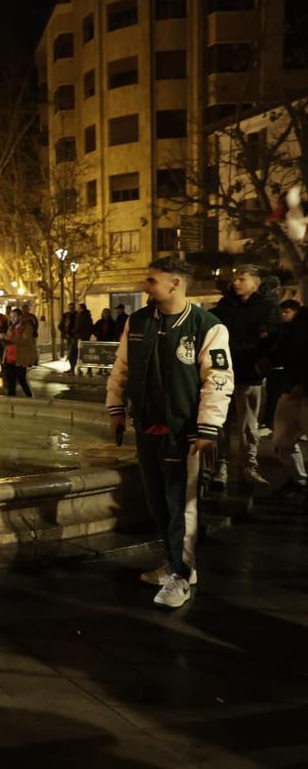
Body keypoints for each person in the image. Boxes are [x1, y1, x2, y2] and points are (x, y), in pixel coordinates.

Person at [106, 256, 232, 609]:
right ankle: (174, 562)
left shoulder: (208, 326)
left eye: (152, 280)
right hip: (147, 428)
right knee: (157, 503)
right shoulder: (139, 321)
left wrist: (208, 427)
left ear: (175, 283)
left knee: (181, 505)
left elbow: (218, 380)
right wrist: (116, 408)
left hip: (183, 432)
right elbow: (121, 368)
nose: (145, 286)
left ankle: (182, 574)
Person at [209, 265, 280, 489]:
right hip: (222, 373)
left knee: (248, 425)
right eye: (235, 278)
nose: (236, 282)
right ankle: (220, 467)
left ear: (256, 283)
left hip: (249, 374)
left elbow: (271, 340)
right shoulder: (226, 304)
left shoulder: (268, 307)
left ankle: (247, 467)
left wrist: (263, 363)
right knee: (220, 422)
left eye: (242, 279)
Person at [268, 299, 308, 495]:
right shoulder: (291, 328)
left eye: (287, 312)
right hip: (290, 389)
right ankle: (298, 480)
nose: (283, 315)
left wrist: (304, 384)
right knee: (282, 440)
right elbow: (284, 352)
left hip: (300, 390)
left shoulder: (300, 327)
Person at [2, 308, 36, 398]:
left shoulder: (27, 327)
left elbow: (24, 341)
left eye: (14, 316)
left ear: (20, 317)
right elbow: (8, 342)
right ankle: (11, 400)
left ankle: (30, 398)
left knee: (22, 380)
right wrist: (3, 339)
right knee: (10, 382)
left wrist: (9, 338)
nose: (12, 319)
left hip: (20, 358)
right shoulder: (11, 328)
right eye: (11, 317)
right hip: (9, 358)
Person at [69, 303, 94, 371]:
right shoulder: (81, 315)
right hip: (80, 338)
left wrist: (76, 332)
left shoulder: (83, 316)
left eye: (78, 308)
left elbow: (83, 328)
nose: (77, 309)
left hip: (80, 338)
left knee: (75, 354)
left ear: (82, 309)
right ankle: (79, 369)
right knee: (80, 354)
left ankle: (74, 369)